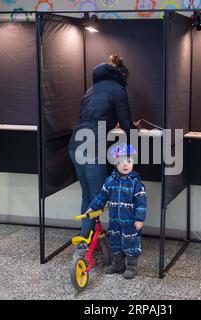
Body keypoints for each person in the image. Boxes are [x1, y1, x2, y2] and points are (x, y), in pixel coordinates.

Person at [69, 54, 139, 240]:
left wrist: (110, 123)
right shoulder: (117, 89)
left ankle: (86, 239)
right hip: (92, 147)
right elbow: (126, 122)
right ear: (121, 75)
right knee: (99, 197)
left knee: (88, 196)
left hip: (75, 145)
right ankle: (103, 242)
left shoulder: (91, 89)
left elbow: (91, 116)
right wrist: (135, 136)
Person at [87, 144, 147, 279]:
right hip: (114, 219)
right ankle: (117, 264)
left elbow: (141, 203)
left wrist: (139, 218)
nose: (125, 165)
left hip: (130, 221)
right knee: (114, 240)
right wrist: (93, 207)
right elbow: (101, 196)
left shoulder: (136, 183)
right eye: (121, 162)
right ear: (115, 163)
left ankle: (132, 267)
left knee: (131, 242)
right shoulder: (110, 181)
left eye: (129, 161)